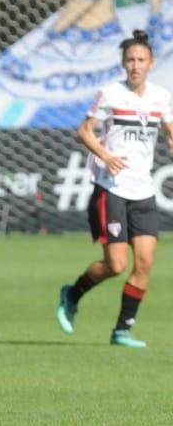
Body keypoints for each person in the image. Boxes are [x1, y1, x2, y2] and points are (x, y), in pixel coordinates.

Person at [56, 30, 173, 348]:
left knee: (145, 262)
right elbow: (83, 131)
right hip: (112, 189)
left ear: (151, 63)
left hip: (143, 190)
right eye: (130, 60)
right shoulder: (109, 93)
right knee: (116, 264)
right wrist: (105, 156)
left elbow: (168, 130)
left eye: (141, 60)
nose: (135, 65)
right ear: (123, 64)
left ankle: (122, 330)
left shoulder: (161, 97)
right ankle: (72, 294)